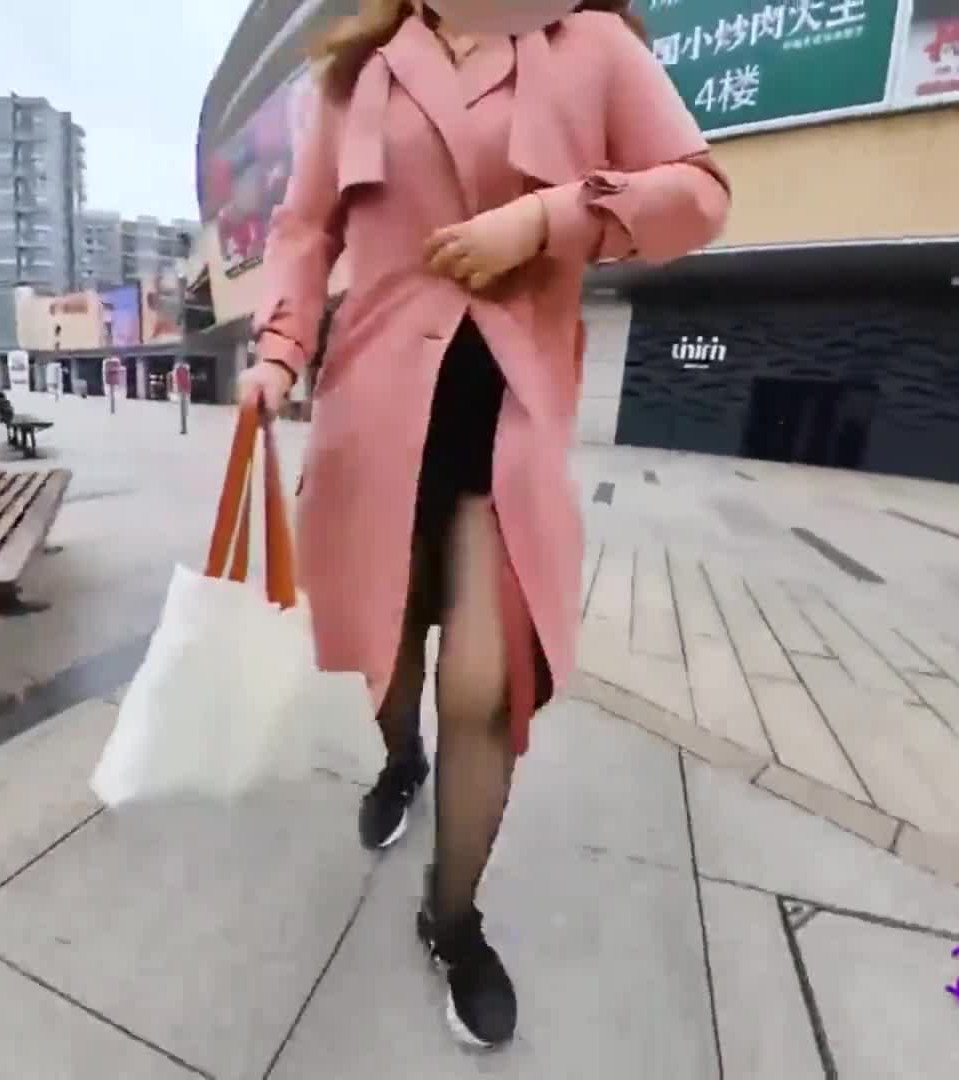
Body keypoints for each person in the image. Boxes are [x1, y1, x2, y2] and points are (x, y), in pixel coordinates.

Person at [234, 0, 728, 1048]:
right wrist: (278, 352)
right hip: (374, 420)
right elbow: (304, 230)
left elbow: (699, 194)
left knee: (485, 687)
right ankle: (398, 761)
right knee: (388, 650)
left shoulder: (589, 47)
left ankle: (451, 920)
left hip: (505, 423)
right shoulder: (361, 68)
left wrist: (549, 218)